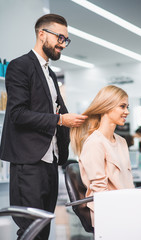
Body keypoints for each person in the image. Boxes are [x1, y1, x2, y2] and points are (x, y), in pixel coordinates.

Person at [0, 14, 87, 240]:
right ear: (41, 34)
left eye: (66, 40)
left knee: (44, 229)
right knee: (31, 230)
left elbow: (63, 113)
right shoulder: (20, 66)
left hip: (50, 163)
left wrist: (88, 120)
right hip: (28, 163)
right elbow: (18, 114)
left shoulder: (49, 73)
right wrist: (59, 120)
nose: (63, 44)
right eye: (60, 37)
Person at [70, 85, 135, 227]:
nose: (127, 112)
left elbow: (127, 182)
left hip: (128, 207)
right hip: (109, 213)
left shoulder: (122, 142)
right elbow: (100, 192)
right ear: (107, 106)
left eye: (127, 107)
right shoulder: (95, 143)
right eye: (122, 106)